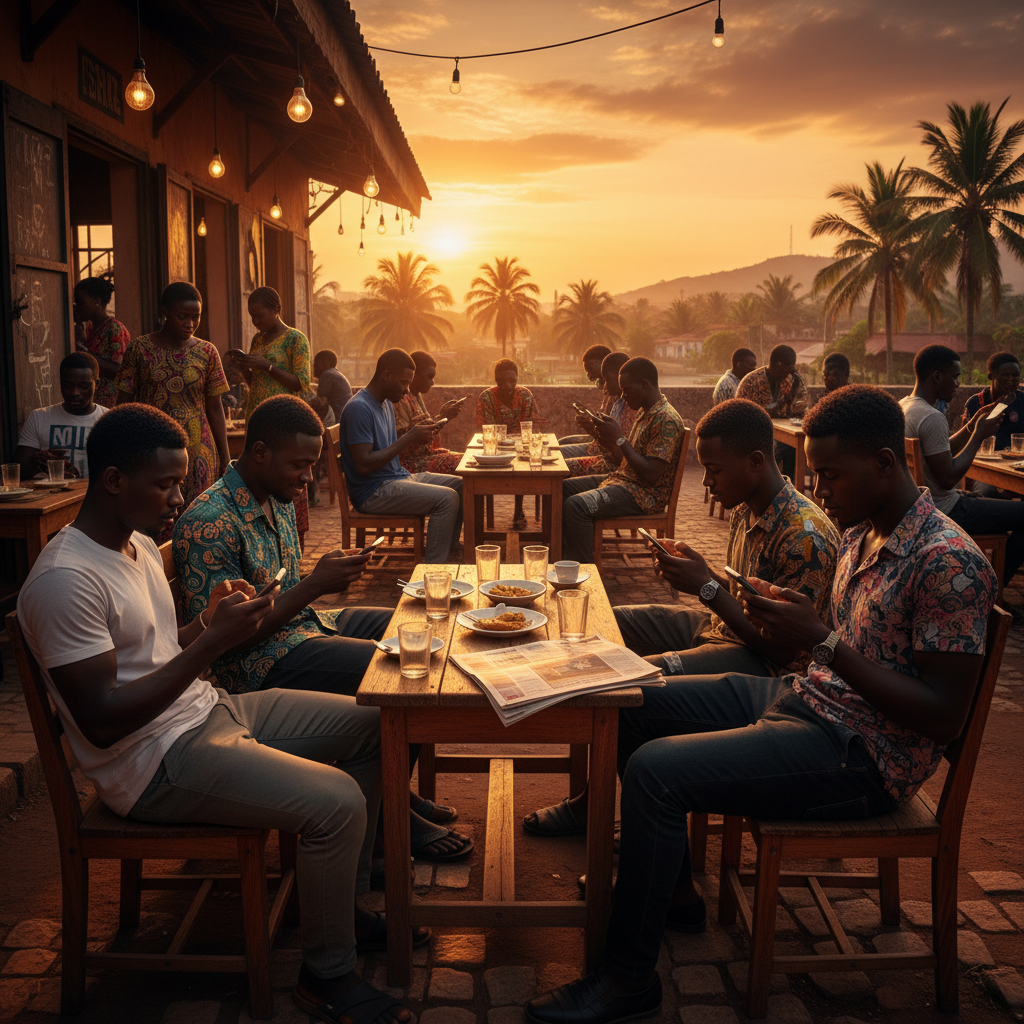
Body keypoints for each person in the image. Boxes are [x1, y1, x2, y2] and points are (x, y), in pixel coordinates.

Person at [527, 385, 997, 1024]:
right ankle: (673, 896)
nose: (819, 488)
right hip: (810, 701)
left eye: (830, 474)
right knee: (632, 701)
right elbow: (829, 643)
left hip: (862, 755)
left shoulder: (948, 562)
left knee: (654, 773)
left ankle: (627, 980)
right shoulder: (865, 537)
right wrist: (773, 608)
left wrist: (821, 639)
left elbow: (943, 716)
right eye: (815, 472)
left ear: (885, 464)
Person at [17, 403, 420, 1024]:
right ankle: (326, 976)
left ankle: (338, 908)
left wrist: (209, 622)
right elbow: (102, 720)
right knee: (337, 801)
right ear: (114, 480)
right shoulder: (64, 579)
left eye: (180, 482)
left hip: (206, 710)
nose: (180, 497)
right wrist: (211, 643)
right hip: (151, 763)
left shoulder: (137, 546)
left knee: (377, 726)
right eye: (166, 483)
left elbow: (154, 651)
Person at [174, 394, 471, 861]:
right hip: (256, 663)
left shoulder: (277, 495)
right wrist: (315, 585)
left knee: (421, 634)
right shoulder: (210, 522)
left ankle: (388, 787)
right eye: (300, 465)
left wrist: (322, 578)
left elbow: (287, 588)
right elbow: (224, 643)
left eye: (313, 464)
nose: (307, 478)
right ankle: (383, 824)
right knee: (403, 671)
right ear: (259, 454)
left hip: (303, 626)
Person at [525, 398, 839, 837]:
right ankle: (592, 792)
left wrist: (706, 588)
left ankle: (599, 808)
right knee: (611, 619)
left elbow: (781, 647)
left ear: (755, 461)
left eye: (713, 470)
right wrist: (703, 571)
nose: (706, 482)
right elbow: (740, 594)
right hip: (725, 628)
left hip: (763, 661)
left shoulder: (804, 536)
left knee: (627, 686)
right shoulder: (751, 504)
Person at [899, 343, 1024, 584]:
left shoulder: (905, 406)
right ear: (937, 376)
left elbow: (941, 451)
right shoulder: (932, 417)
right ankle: (991, 590)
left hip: (921, 505)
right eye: (955, 377)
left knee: (991, 500)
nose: (958, 383)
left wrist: (971, 425)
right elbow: (948, 479)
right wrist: (978, 435)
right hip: (944, 509)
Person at [114, 282, 229, 536]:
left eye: (196, 317)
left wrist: (224, 457)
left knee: (198, 525)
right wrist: (121, 449)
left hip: (199, 453)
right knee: (154, 523)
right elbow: (123, 404)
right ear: (165, 312)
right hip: (150, 453)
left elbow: (215, 407)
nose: (190, 323)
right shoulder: (139, 350)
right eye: (183, 316)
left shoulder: (207, 352)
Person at [340, 349, 463, 563]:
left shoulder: (386, 403)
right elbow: (363, 465)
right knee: (447, 498)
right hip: (373, 492)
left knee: (462, 485)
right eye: (404, 383)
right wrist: (409, 438)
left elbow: (384, 442)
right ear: (386, 375)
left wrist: (409, 432)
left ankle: (449, 551)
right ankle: (432, 570)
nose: (407, 391)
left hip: (397, 477)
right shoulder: (359, 408)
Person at [561, 357, 685, 565]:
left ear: (644, 384)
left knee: (577, 506)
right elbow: (625, 460)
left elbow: (651, 473)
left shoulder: (666, 419)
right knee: (562, 488)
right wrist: (604, 435)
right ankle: (565, 557)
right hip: (623, 481)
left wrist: (619, 438)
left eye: (626, 390)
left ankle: (584, 573)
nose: (623, 396)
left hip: (643, 494)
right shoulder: (645, 412)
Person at [230, 286, 313, 546]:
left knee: (289, 479)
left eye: (261, 316)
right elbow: (256, 382)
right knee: (260, 480)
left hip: (285, 423)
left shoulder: (295, 339)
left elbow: (300, 382)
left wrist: (266, 365)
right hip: (259, 417)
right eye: (252, 317)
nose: (256, 322)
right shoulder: (259, 340)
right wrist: (244, 368)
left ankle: (294, 544)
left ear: (277, 310)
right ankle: (261, 542)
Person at [475, 357, 547, 531]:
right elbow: (487, 427)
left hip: (522, 445)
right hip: (497, 446)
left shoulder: (525, 395)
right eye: (503, 381)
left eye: (512, 380)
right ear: (496, 380)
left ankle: (518, 509)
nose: (508, 385)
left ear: (517, 378)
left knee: (522, 465)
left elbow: (530, 422)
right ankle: (478, 521)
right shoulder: (486, 397)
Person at [16, 353, 108, 480]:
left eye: (84, 386)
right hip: (51, 498)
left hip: (95, 498)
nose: (75, 392)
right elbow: (18, 474)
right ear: (60, 382)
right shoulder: (39, 417)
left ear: (97, 384)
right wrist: (39, 461)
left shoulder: (109, 420)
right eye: (68, 385)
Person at [737, 343, 808, 478]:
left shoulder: (791, 380)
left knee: (795, 450)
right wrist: (788, 396)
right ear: (778, 365)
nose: (791, 370)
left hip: (781, 435)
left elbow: (801, 407)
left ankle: (789, 489)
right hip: (750, 435)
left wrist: (796, 387)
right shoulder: (751, 381)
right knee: (781, 450)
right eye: (789, 366)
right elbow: (763, 412)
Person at [565, 352, 637, 479]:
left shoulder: (634, 408)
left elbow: (622, 458)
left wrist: (596, 432)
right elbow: (610, 447)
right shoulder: (619, 404)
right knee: (561, 462)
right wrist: (593, 428)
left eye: (607, 380)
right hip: (605, 457)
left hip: (616, 470)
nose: (605, 386)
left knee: (561, 469)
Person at [960, 352, 1023, 497]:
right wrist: (1000, 406)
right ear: (991, 376)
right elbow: (963, 444)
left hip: (1015, 468)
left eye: (1015, 376)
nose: (1011, 380)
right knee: (986, 493)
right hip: (984, 470)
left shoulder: (1022, 401)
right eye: (1005, 375)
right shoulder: (976, 403)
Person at [395, 350, 466, 475]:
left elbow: (424, 428)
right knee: (464, 465)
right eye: (428, 377)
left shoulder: (416, 395)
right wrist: (443, 417)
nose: (432, 382)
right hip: (408, 464)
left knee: (468, 461)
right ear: (413, 375)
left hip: (423, 457)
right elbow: (404, 443)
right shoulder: (400, 399)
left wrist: (444, 417)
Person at [73, 274, 129, 409]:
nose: (77, 307)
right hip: (90, 399)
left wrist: (86, 355)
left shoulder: (115, 329)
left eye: (81, 302)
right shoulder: (89, 327)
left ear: (96, 301)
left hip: (109, 402)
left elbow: (119, 371)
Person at [560, 344, 614, 454]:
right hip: (600, 442)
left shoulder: (617, 391)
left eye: (591, 369)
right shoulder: (607, 388)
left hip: (606, 448)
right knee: (562, 442)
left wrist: (592, 428)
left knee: (559, 451)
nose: (589, 375)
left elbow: (612, 436)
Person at [313, 349, 353, 423]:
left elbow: (319, 403)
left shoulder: (327, 374)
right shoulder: (335, 373)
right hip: (345, 417)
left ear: (326, 363)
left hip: (337, 419)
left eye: (316, 364)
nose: (314, 368)